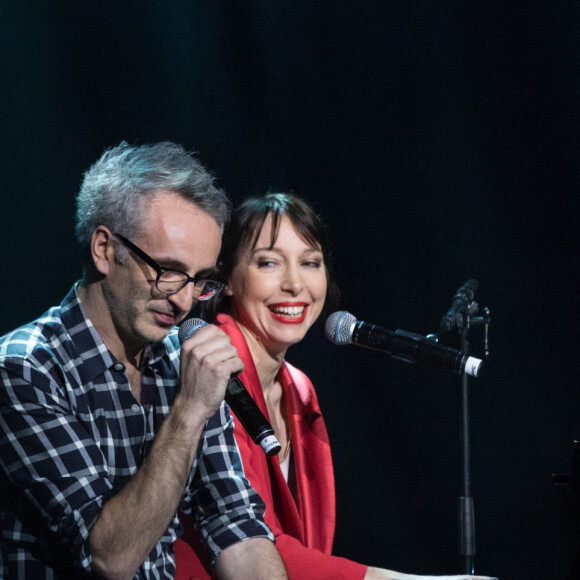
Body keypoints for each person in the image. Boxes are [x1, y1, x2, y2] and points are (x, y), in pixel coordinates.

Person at [0, 143, 288, 580]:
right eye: (168, 270)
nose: (185, 299)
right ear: (104, 248)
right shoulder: (25, 370)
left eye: (200, 280)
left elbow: (234, 523)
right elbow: (109, 559)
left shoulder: (179, 359)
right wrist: (189, 411)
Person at [174, 193, 499, 580]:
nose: (295, 284)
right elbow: (255, 544)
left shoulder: (299, 388)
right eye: (269, 263)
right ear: (225, 279)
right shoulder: (208, 372)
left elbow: (304, 547)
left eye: (310, 263)